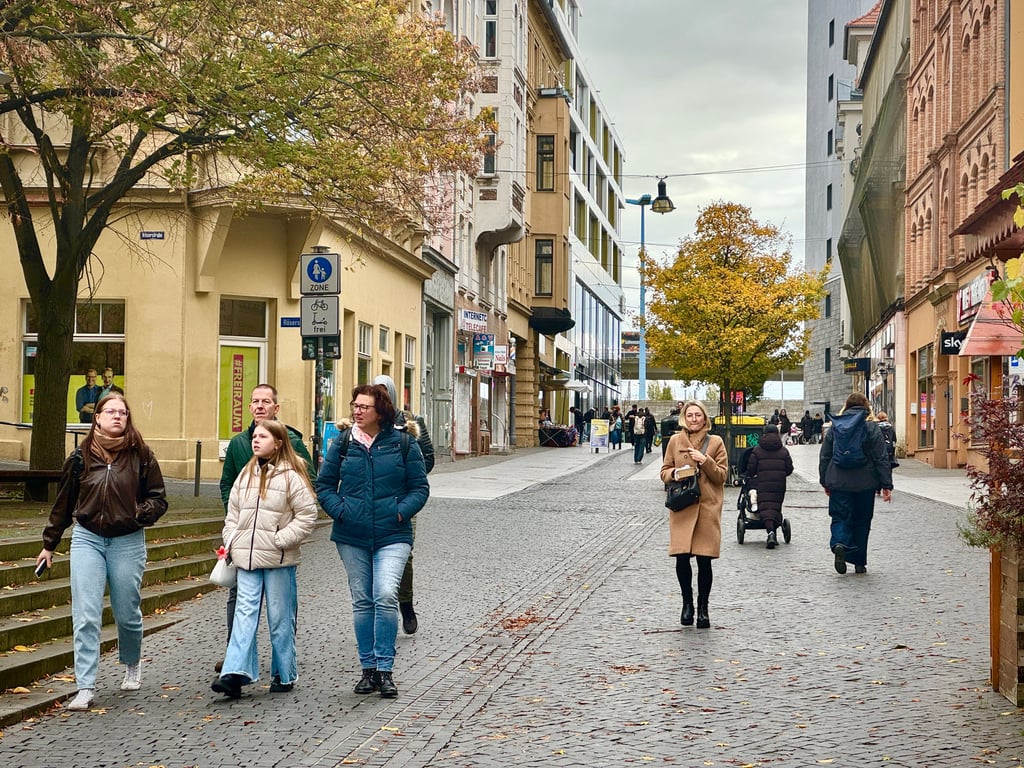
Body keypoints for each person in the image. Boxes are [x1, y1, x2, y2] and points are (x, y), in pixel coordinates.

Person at [36, 393, 168, 711]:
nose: (117, 416)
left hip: (127, 540)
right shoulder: (80, 456)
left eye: (123, 412)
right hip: (87, 539)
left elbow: (159, 498)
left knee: (127, 614)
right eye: (111, 411)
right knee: (86, 615)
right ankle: (85, 686)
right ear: (97, 417)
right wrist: (49, 544)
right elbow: (64, 503)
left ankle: (131, 661)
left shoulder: (141, 454)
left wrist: (142, 512)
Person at [316, 384, 429, 699]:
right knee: (363, 600)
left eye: (364, 406)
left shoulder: (403, 443)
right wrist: (341, 511)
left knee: (384, 594)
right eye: (355, 405)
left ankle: (385, 669)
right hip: (351, 535)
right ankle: (368, 670)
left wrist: (398, 513)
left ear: (380, 411)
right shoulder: (342, 443)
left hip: (393, 533)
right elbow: (323, 484)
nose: (357, 410)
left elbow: (420, 488)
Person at [212, 421, 319, 699]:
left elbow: (307, 515)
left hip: (278, 561)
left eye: (263, 436)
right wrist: (233, 540)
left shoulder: (291, 476)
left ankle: (284, 673)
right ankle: (234, 674)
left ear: (278, 443)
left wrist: (280, 540)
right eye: (255, 436)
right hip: (246, 559)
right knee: (243, 616)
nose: (255, 441)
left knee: (280, 617)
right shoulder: (245, 473)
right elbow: (232, 513)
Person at [372, 374, 435, 635]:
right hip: (372, 502)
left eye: (385, 392)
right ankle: (378, 608)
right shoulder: (365, 423)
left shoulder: (412, 422)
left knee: (404, 553)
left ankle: (405, 604)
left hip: (403, 500)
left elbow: (428, 459)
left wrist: (406, 476)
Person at [659, 400, 728, 629]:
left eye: (698, 415)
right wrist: (675, 473)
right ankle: (687, 604)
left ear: (704, 417)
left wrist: (704, 461)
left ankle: (703, 608)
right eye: (690, 415)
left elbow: (721, 476)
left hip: (707, 507)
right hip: (682, 507)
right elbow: (664, 472)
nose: (694, 419)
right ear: (684, 417)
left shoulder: (716, 442)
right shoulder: (675, 442)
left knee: (704, 560)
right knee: (681, 558)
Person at [818, 393, 894, 575]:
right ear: (867, 407)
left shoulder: (835, 427)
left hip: (839, 482)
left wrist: (825, 481)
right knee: (862, 521)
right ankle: (859, 562)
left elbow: (825, 456)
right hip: (865, 484)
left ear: (846, 406)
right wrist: (886, 485)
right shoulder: (871, 427)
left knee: (840, 517)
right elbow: (880, 457)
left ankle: (839, 544)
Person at [745, 424, 794, 549]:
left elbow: (751, 469)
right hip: (778, 484)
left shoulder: (757, 450)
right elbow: (789, 468)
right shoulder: (783, 450)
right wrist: (781, 474)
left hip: (762, 484)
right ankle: (774, 530)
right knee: (775, 506)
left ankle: (771, 533)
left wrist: (749, 476)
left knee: (765, 506)